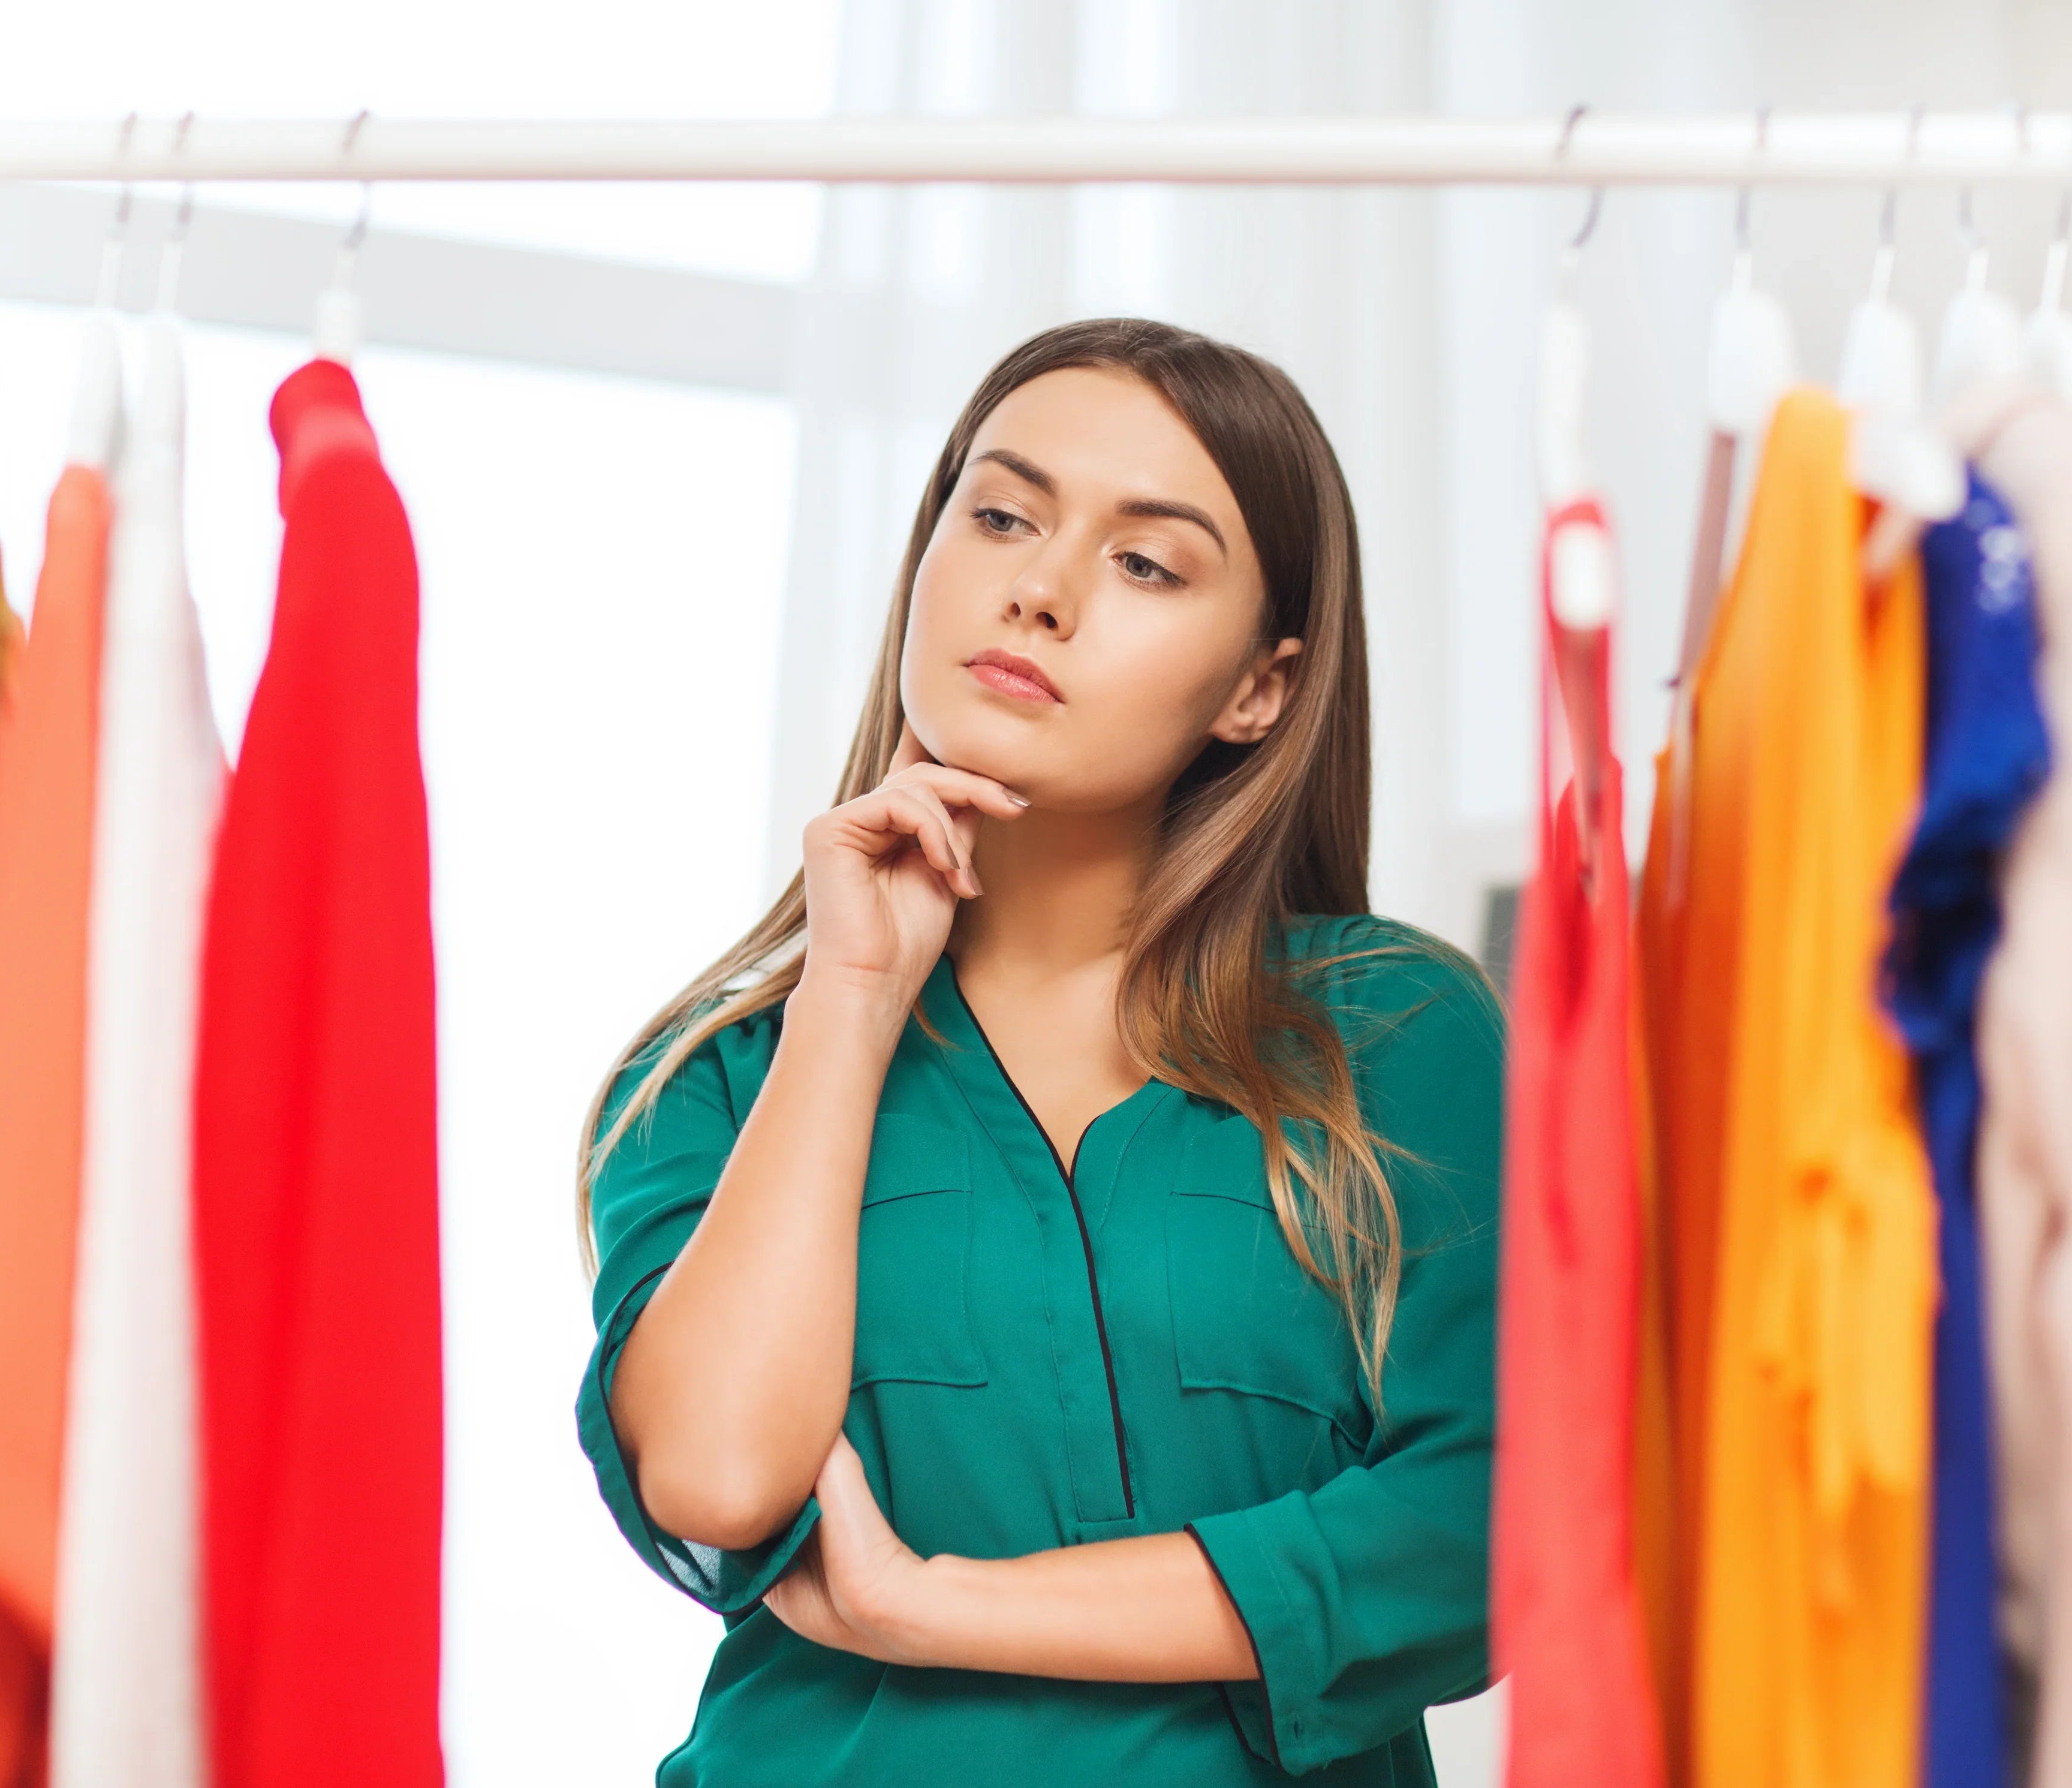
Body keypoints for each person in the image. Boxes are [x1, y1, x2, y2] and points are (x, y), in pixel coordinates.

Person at [575, 317, 1503, 1787]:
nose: (1040, 591)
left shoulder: (1396, 1039)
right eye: (1002, 517)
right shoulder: (718, 1083)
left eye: (1145, 563)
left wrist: (931, 1608)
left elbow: (1482, 1532)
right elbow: (716, 1480)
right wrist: (853, 997)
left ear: (1259, 688)